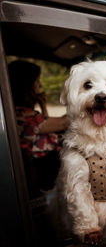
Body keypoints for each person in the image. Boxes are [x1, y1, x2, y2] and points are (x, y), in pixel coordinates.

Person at [8, 60, 69, 196]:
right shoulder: (25, 116)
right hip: (45, 169)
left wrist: (43, 105)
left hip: (44, 165)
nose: (40, 85)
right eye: (36, 81)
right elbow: (65, 123)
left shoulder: (18, 112)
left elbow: (45, 126)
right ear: (26, 84)